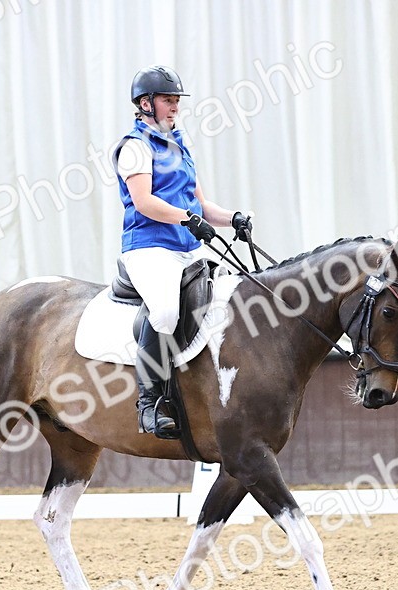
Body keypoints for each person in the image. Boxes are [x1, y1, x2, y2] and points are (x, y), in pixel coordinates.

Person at [113, 65, 253, 437]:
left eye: (177, 101)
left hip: (186, 247)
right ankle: (148, 402)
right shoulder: (134, 148)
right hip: (148, 247)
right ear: (145, 103)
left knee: (231, 301)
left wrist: (233, 217)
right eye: (167, 100)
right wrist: (187, 218)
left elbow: (203, 206)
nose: (175, 107)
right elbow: (144, 202)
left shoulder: (180, 145)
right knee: (164, 311)